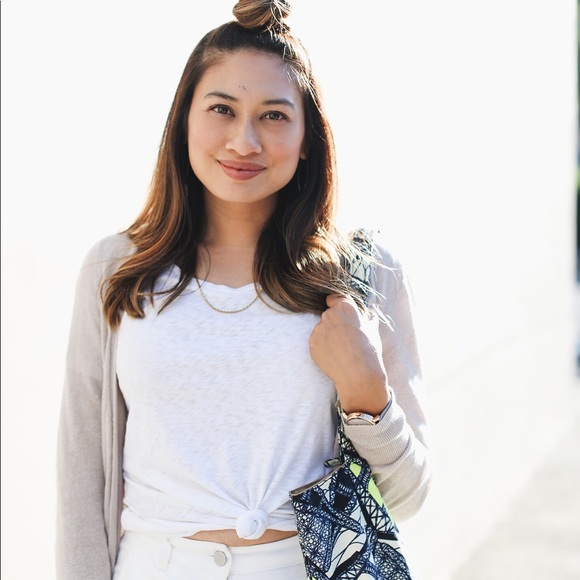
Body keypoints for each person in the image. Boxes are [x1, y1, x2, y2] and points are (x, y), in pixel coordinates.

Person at [56, 1, 432, 578]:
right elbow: (82, 477)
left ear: (307, 138)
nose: (244, 141)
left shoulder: (365, 272)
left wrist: (367, 399)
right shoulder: (118, 269)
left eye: (274, 115)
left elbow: (408, 495)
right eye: (222, 109)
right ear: (184, 121)